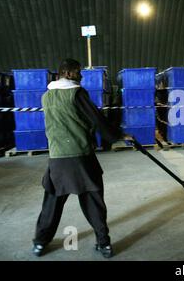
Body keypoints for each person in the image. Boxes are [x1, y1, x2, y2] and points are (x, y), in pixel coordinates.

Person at [32, 59, 134, 258]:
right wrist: (118, 135)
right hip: (81, 157)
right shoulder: (76, 93)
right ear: (68, 73)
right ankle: (104, 244)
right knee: (93, 200)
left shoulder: (46, 96)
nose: (81, 76)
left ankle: (40, 243)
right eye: (78, 72)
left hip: (58, 159)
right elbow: (96, 119)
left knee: (51, 203)